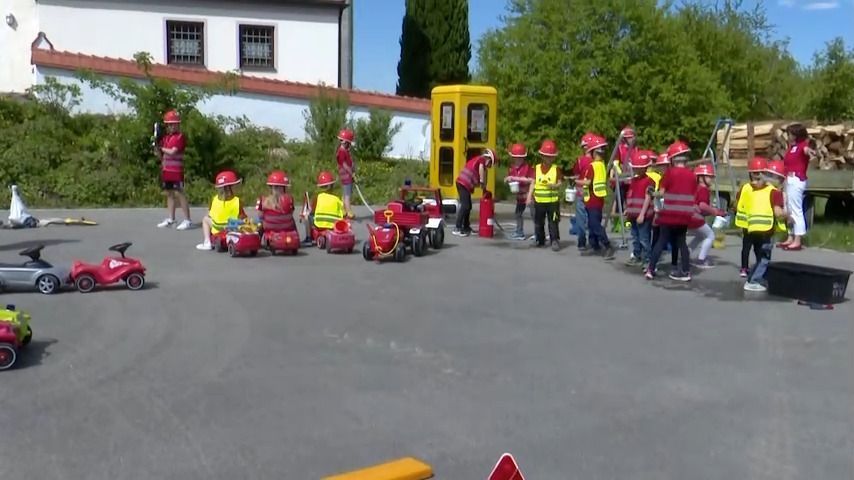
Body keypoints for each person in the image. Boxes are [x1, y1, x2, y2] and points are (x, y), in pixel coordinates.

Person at [645, 141, 697, 281]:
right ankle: (686, 271)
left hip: (668, 215)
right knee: (682, 243)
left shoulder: (669, 173)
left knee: (661, 241)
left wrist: (652, 193)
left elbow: (661, 193)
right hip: (684, 215)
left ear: (672, 159)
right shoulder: (692, 176)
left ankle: (651, 269)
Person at [741, 159, 788, 292]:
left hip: (752, 227)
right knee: (764, 258)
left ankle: (753, 277)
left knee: (760, 257)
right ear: (780, 180)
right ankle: (753, 281)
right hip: (766, 230)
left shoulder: (758, 190)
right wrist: (788, 216)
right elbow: (777, 212)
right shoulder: (775, 192)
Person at [576, 134, 615, 259]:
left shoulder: (592, 166)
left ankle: (607, 245)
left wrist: (575, 181)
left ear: (593, 152)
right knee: (594, 223)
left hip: (593, 199)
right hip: (598, 199)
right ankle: (595, 245)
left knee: (594, 224)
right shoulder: (601, 165)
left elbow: (587, 182)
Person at [156, 110, 192, 230]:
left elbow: (172, 152)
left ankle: (187, 220)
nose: (172, 127)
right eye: (169, 124)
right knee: (169, 194)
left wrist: (161, 148)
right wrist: (156, 148)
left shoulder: (180, 137)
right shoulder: (166, 138)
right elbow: (161, 156)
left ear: (178, 124)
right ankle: (171, 218)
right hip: (166, 170)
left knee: (180, 193)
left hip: (176, 171)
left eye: (174, 124)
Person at [779, 123, 812, 251]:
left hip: (797, 180)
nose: (788, 136)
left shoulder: (803, 145)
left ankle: (798, 240)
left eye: (790, 134)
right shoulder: (791, 147)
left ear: (796, 135)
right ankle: (790, 236)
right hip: (788, 179)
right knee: (788, 209)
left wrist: (810, 151)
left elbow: (806, 151)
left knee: (796, 209)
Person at [195, 170, 246, 251]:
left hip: (217, 228)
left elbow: (209, 214)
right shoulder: (237, 201)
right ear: (231, 187)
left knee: (205, 219)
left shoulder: (214, 199)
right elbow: (242, 216)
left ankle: (207, 242)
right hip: (233, 228)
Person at [688, 163, 726, 269]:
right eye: (709, 176)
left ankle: (686, 253)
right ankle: (701, 260)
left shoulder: (695, 188)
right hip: (696, 218)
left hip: (689, 217)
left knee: (700, 236)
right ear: (701, 177)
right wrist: (715, 211)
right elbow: (702, 205)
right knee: (710, 236)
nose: (711, 179)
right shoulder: (703, 189)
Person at [527, 139, 562, 251]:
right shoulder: (536, 168)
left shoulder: (556, 169)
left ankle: (554, 240)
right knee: (539, 222)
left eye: (550, 156)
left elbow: (560, 183)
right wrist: (529, 196)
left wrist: (555, 186)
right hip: (539, 201)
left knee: (553, 222)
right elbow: (533, 182)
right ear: (542, 156)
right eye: (546, 156)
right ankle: (540, 240)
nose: (548, 158)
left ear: (554, 157)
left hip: (552, 201)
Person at [454, 148, 496, 237]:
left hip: (464, 184)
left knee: (468, 206)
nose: (489, 166)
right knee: (465, 206)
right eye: (490, 163)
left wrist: (484, 188)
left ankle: (466, 227)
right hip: (462, 184)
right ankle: (457, 227)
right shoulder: (481, 160)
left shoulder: (479, 162)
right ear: (488, 159)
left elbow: (482, 175)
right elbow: (481, 169)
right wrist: (481, 181)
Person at [624, 150, 656, 267]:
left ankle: (648, 259)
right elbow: (630, 195)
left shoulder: (649, 181)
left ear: (645, 168)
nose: (636, 170)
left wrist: (642, 214)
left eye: (639, 168)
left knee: (644, 238)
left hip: (643, 216)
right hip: (633, 214)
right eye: (635, 168)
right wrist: (627, 209)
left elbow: (648, 198)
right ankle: (637, 255)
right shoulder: (634, 181)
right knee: (635, 237)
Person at [504, 143, 535, 240]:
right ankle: (519, 232)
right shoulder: (512, 168)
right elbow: (511, 179)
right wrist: (508, 181)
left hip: (529, 195)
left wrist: (515, 178)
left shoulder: (527, 168)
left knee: (534, 214)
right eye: (516, 158)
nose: (518, 160)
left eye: (520, 158)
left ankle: (538, 232)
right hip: (520, 196)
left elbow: (531, 180)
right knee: (518, 214)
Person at [570, 133, 594, 251]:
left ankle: (582, 242)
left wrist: (573, 180)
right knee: (592, 217)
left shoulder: (580, 160)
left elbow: (576, 175)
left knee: (581, 217)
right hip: (593, 193)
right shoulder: (597, 161)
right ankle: (593, 241)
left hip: (581, 191)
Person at [336, 128, 356, 219]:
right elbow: (344, 165)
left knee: (344, 194)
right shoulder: (342, 151)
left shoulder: (344, 151)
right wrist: (352, 173)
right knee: (347, 195)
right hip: (347, 176)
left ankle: (343, 210)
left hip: (345, 176)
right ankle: (349, 211)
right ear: (346, 142)